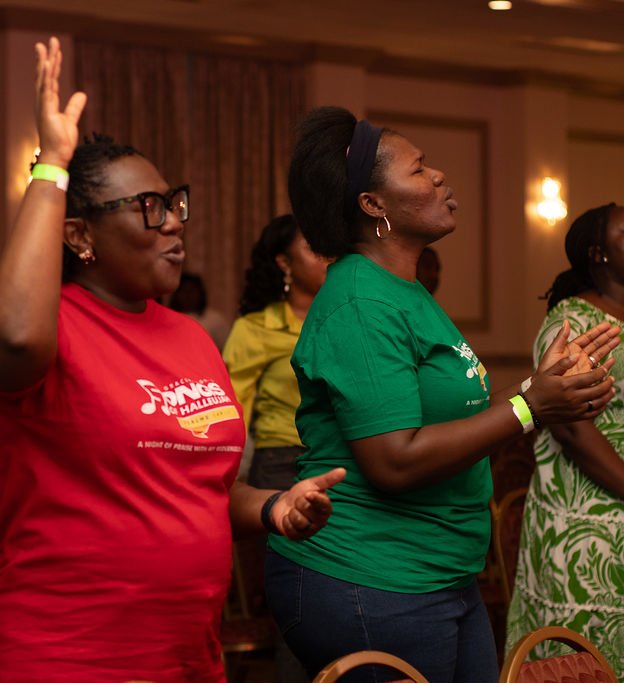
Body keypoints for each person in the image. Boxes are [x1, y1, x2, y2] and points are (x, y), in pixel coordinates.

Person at [0, 37, 345, 682]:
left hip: (186, 654)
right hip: (63, 655)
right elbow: (16, 344)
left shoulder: (190, 338)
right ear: (79, 235)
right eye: (149, 208)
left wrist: (273, 507)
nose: (173, 223)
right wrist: (51, 166)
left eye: (174, 204)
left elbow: (199, 490)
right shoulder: (43, 326)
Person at [266, 105, 620, 683]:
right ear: (373, 204)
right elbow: (395, 461)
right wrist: (533, 405)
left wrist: (543, 382)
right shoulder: (360, 301)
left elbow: (459, 417)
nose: (438, 176)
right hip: (370, 575)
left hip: (441, 571)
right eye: (418, 169)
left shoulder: (403, 291)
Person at [505, 202, 624, 676]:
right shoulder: (572, 321)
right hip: (588, 516)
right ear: (598, 253)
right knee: (585, 657)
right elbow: (571, 428)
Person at [222, 214, 330, 683]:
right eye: (312, 247)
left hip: (345, 466)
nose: (327, 256)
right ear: (284, 262)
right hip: (283, 467)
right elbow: (228, 417)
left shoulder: (345, 317)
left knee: (345, 597)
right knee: (301, 603)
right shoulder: (255, 329)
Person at [168, 271, 232, 350]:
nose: (188, 295)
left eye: (192, 291)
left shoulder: (215, 320)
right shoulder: (167, 320)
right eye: (184, 291)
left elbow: (227, 349)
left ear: (201, 293)